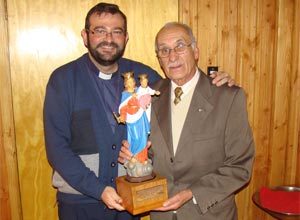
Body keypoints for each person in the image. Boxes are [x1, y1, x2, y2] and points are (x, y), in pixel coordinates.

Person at [43, 2, 235, 220]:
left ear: (125, 38)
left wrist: (217, 84)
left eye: (117, 31)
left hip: (130, 199)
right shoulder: (63, 80)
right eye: (99, 31)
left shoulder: (144, 76)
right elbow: (57, 149)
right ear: (85, 36)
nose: (109, 38)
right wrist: (99, 190)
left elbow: (182, 88)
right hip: (80, 202)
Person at [119, 22, 255, 220]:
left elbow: (240, 166)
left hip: (209, 214)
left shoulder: (227, 97)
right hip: (161, 213)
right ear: (159, 60)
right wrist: (137, 155)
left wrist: (192, 194)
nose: (172, 56)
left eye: (180, 46)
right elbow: (157, 154)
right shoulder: (148, 97)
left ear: (196, 51)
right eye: (164, 51)